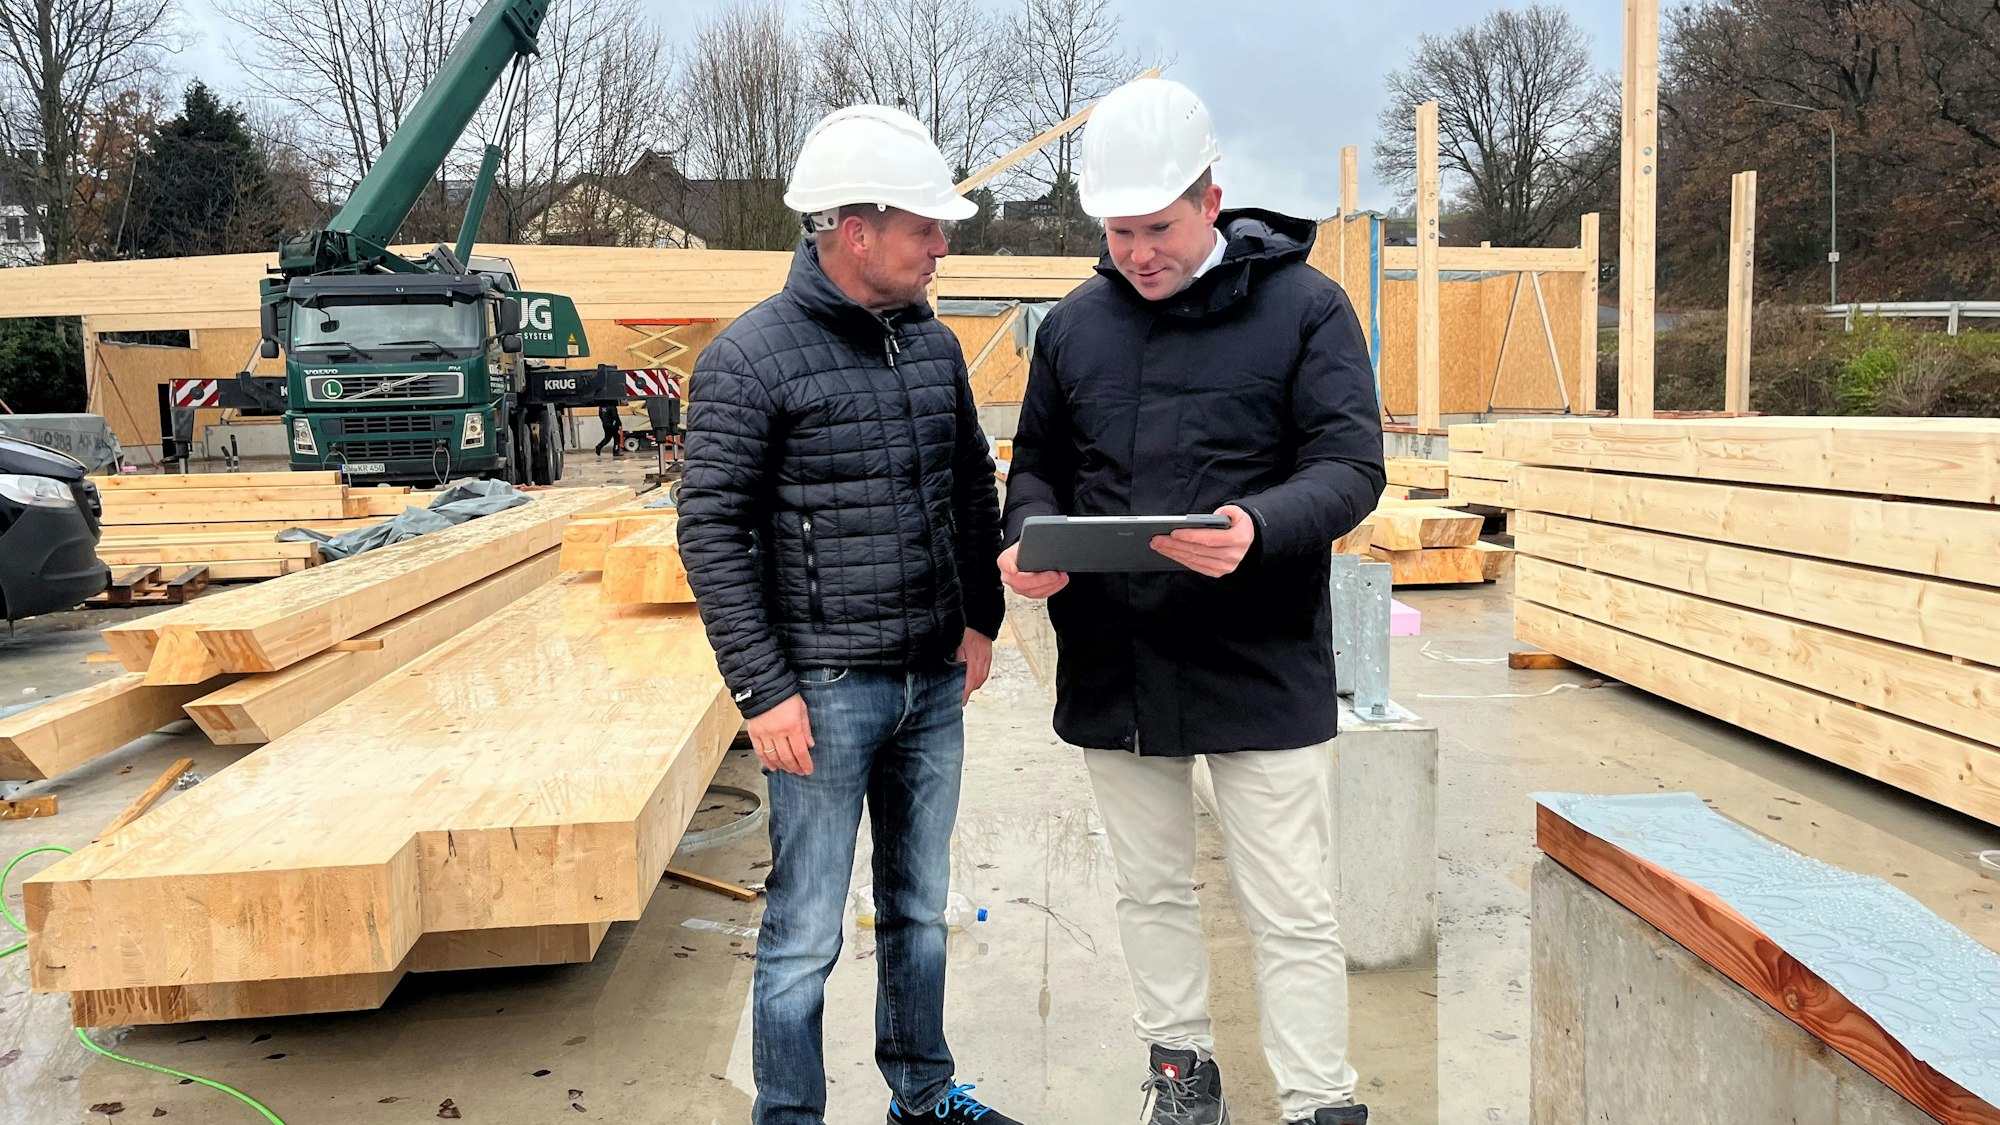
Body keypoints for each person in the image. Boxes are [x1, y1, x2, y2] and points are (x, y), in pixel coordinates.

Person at [998, 77, 1385, 1125]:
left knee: (1291, 904)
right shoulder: (1073, 327)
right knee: (1150, 890)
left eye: (1157, 228)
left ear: (1210, 201)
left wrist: (1258, 527)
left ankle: (1317, 1100)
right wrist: (1023, 541)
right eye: (1118, 232)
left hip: (1258, 654)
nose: (1137, 253)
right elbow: (1033, 467)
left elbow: (1350, 466)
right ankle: (1181, 1078)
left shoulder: (1305, 309)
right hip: (1118, 660)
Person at [676, 104, 1022, 1125]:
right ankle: (789, 1115)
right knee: (802, 932)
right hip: (821, 693)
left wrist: (980, 619)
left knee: (918, 911)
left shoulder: (928, 345)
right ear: (854, 230)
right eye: (925, 226)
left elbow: (969, 484)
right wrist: (762, 689)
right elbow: (712, 532)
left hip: (930, 680)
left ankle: (920, 1095)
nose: (942, 244)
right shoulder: (750, 358)